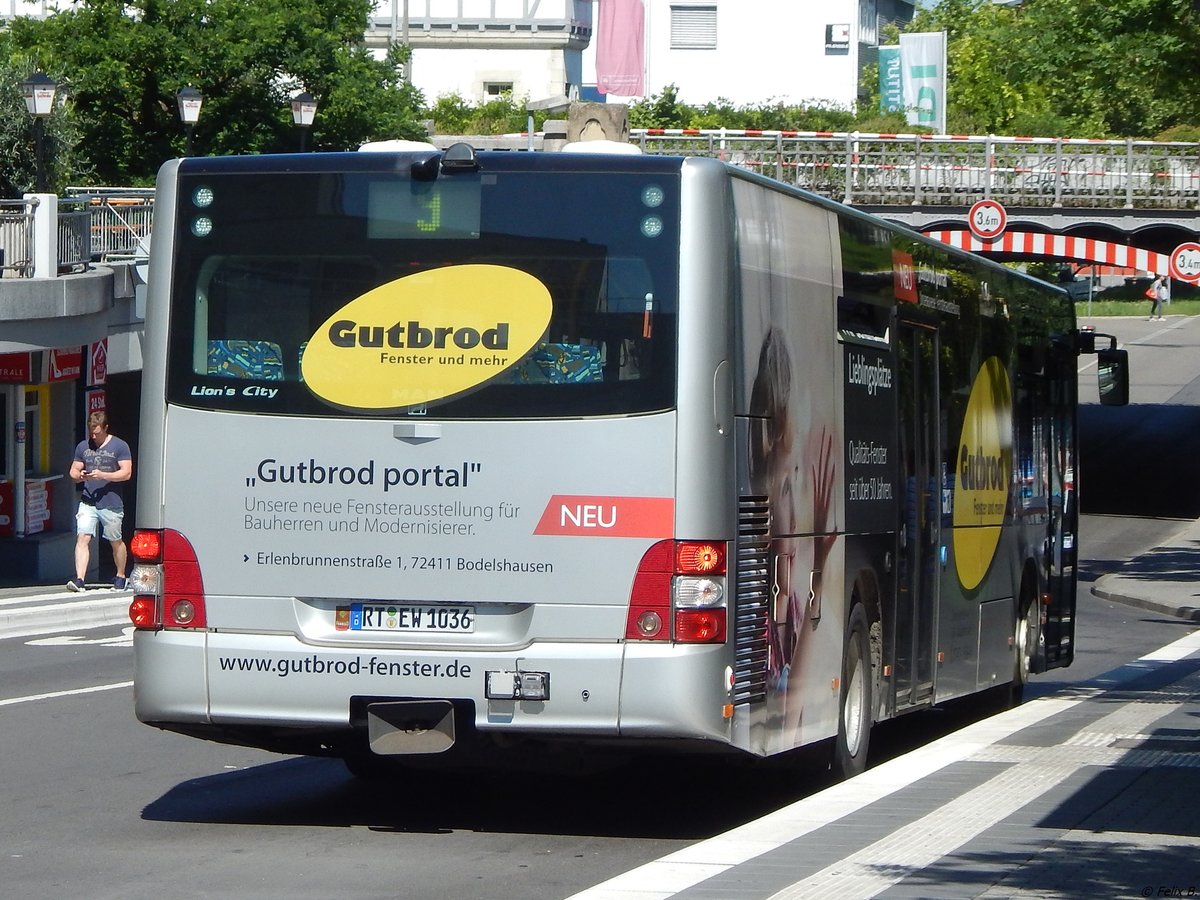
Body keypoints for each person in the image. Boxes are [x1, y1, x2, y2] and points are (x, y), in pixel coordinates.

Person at [67, 411, 133, 591]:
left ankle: (120, 576)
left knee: (115, 540)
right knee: (83, 537)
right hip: (88, 501)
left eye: (97, 432)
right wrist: (79, 476)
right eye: (91, 432)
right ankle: (80, 579)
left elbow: (126, 473)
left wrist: (103, 475)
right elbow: (73, 470)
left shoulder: (120, 446)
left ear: (105, 428)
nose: (93, 436)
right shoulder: (83, 446)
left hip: (111, 502)